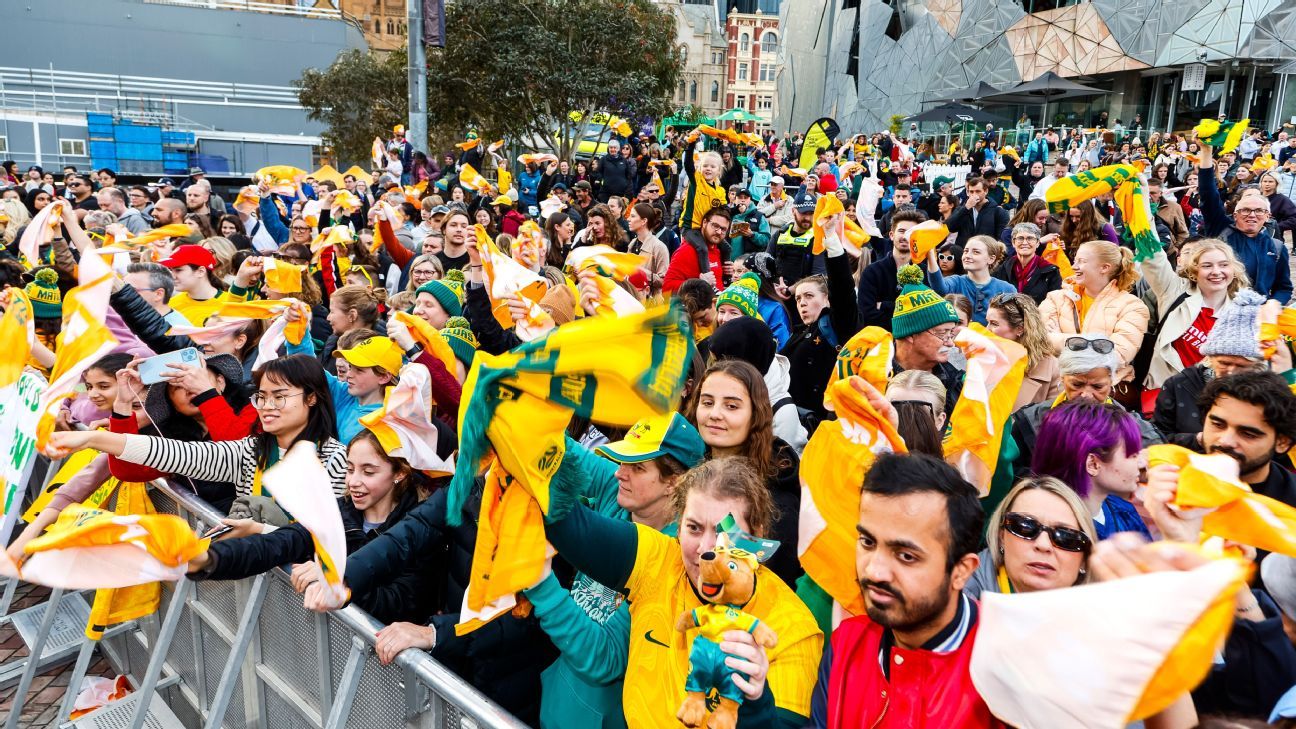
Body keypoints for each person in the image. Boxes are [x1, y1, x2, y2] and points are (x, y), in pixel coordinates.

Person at [521, 413, 705, 729]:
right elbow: (553, 445)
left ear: (675, 482)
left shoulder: (678, 561)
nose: (620, 473)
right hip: (558, 701)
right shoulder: (621, 493)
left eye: (637, 467)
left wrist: (539, 581)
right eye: (621, 460)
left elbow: (604, 658)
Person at [808, 452, 1000, 728]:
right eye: (867, 542)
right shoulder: (847, 645)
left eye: (906, 556)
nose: (874, 571)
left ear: (962, 571)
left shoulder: (1005, 667)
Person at [184, 429, 442, 625]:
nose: (353, 481)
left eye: (369, 472)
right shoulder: (337, 511)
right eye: (350, 469)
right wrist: (209, 559)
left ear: (400, 473)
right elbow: (277, 544)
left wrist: (335, 580)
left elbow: (400, 603)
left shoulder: (420, 530)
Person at [46, 355, 348, 514]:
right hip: (254, 563)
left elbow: (323, 531)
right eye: (263, 397)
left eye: (278, 397)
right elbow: (167, 454)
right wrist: (102, 427)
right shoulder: (249, 450)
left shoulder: (334, 457)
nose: (267, 406)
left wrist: (206, 394)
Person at [685, 357, 804, 581]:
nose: (715, 414)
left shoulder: (779, 501)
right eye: (707, 402)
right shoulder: (690, 472)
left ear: (756, 414)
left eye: (731, 406)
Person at [1011, 333, 1164, 469]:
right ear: (1062, 379)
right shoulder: (1030, 421)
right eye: (1077, 384)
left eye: (1097, 386)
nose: (1086, 395)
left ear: (1112, 382)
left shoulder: (1140, 434)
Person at [1153, 294, 1276, 447]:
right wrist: (1198, 439)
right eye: (1224, 363)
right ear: (1210, 358)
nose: (1231, 372)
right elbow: (1156, 437)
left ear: (1258, 366)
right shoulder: (1179, 385)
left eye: (1242, 366)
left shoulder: (1272, 392)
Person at [1141, 238, 1254, 405]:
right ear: (1194, 271)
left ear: (1234, 269)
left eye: (1224, 265)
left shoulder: (1244, 311)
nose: (1216, 271)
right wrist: (1141, 214)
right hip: (1164, 396)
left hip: (1214, 402)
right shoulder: (1174, 292)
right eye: (1207, 266)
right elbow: (1151, 253)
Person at [1030, 400, 1150, 540]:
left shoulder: (1124, 510)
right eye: (1133, 454)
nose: (1142, 462)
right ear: (1093, 464)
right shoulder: (1058, 537)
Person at [1038, 240, 1149, 387]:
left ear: (1104, 267)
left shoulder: (1133, 306)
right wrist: (1097, 345)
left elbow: (1117, 355)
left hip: (1103, 390)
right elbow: (1039, 341)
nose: (1073, 266)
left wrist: (1062, 341)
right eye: (1075, 260)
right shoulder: (1056, 298)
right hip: (1056, 386)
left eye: (1081, 261)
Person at [963, 476, 1095, 598]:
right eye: (1025, 526)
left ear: (1084, 559)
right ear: (1001, 538)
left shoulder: (1102, 615)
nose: (1043, 545)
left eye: (1065, 536)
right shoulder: (959, 600)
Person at [1198, 139, 1293, 303]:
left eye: (1259, 211)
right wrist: (1206, 152)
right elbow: (1208, 194)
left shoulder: (1276, 248)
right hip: (1218, 311)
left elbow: (1283, 288)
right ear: (1235, 214)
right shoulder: (1220, 230)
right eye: (1246, 210)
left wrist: (1273, 304)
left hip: (1256, 317)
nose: (1252, 215)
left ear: (1267, 216)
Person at [781, 227, 860, 417]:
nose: (802, 303)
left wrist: (831, 240)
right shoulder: (798, 332)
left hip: (823, 420)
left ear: (828, 298)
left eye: (809, 295)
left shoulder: (838, 325)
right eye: (798, 298)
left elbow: (842, 287)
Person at [1194, 370, 1296, 506]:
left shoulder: (1291, 504)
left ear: (1282, 442)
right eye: (1218, 425)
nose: (1225, 441)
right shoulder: (1170, 479)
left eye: (1248, 434)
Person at [890, 264, 964, 416]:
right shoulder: (872, 375)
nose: (950, 343)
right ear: (910, 334)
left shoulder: (956, 378)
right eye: (942, 333)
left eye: (951, 333)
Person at [856, 209, 934, 329]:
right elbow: (866, 314)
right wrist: (910, 319)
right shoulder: (872, 272)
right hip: (880, 341)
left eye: (911, 232)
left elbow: (928, 314)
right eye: (902, 231)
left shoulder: (926, 273)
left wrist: (885, 306)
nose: (905, 236)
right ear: (892, 235)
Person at [986, 293, 1061, 411]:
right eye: (988, 322)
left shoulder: (1052, 369)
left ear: (1020, 328)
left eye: (994, 323)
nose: (987, 329)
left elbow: (1055, 420)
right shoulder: (983, 359)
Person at [932, 235, 1015, 325]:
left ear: (991, 259)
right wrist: (930, 257)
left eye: (976, 252)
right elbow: (939, 288)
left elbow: (1012, 323)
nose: (967, 256)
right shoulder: (956, 282)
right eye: (966, 251)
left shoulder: (1007, 289)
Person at [663, 206, 731, 294]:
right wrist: (698, 284)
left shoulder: (718, 250)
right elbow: (667, 287)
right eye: (715, 226)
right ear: (704, 222)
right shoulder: (686, 251)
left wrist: (734, 274)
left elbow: (717, 285)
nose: (719, 232)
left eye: (723, 229)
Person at [992, 222, 1062, 305]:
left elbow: (1055, 303)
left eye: (1030, 238)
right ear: (1013, 243)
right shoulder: (1002, 269)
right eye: (1020, 238)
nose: (1025, 243)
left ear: (1038, 243)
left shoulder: (1050, 271)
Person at [946, 176, 1009, 247]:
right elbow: (951, 227)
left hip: (985, 253)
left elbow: (1001, 239)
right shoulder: (963, 209)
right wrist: (966, 208)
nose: (974, 194)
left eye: (978, 191)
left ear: (986, 191)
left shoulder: (998, 212)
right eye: (971, 191)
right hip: (964, 252)